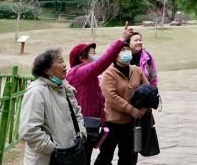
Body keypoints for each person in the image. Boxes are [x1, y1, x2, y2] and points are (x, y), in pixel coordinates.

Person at [67, 24, 134, 164]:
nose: (96, 56)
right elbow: (103, 61)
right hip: (81, 127)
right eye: (92, 53)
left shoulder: (89, 76)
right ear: (82, 58)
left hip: (90, 126)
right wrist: (121, 40)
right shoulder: (79, 72)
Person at [19, 48, 86, 165]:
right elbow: (29, 130)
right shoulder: (36, 92)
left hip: (71, 153)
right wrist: (53, 149)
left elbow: (77, 113)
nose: (65, 65)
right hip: (47, 159)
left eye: (63, 61)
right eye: (60, 61)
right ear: (47, 71)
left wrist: (80, 134)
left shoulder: (65, 88)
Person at [96, 44, 149, 165]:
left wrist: (143, 109)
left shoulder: (137, 70)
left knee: (128, 157)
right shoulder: (109, 74)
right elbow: (111, 97)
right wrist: (131, 110)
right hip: (112, 123)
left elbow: (148, 90)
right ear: (115, 55)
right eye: (122, 50)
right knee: (105, 155)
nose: (126, 52)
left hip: (132, 123)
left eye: (127, 49)